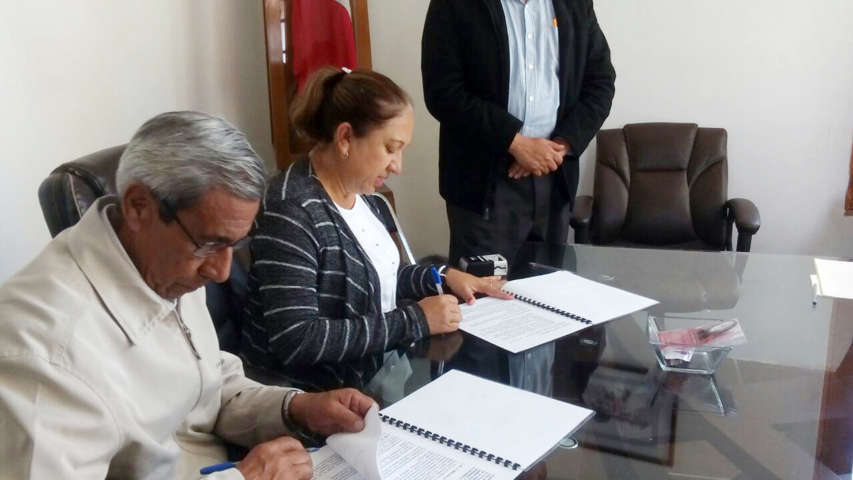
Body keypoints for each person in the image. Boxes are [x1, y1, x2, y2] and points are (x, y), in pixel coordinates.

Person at [0, 111, 375, 479]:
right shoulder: (45, 353)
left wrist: (296, 408)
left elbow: (206, 386)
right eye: (210, 244)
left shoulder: (164, 265)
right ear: (138, 207)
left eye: (235, 245)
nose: (221, 272)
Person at [241, 67, 511, 389]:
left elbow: (378, 280)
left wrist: (444, 277)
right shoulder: (292, 210)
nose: (398, 166)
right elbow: (296, 338)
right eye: (391, 148)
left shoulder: (364, 195)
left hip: (372, 375)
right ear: (345, 138)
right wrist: (415, 320)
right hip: (313, 397)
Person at [421, 0, 616, 265]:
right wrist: (514, 142)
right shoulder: (455, 5)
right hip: (484, 183)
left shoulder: (575, 4)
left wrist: (561, 145)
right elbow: (443, 92)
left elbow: (601, 83)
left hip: (555, 176)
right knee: (483, 288)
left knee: (549, 284)